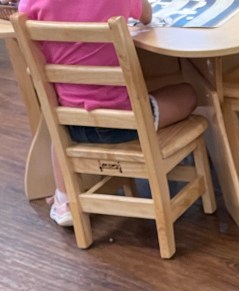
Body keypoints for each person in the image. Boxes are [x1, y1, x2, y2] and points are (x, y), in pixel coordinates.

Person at [18, 0, 199, 227]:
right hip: (125, 124)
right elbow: (147, 15)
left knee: (56, 131)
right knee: (188, 93)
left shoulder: (30, 3)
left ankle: (64, 202)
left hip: (71, 125)